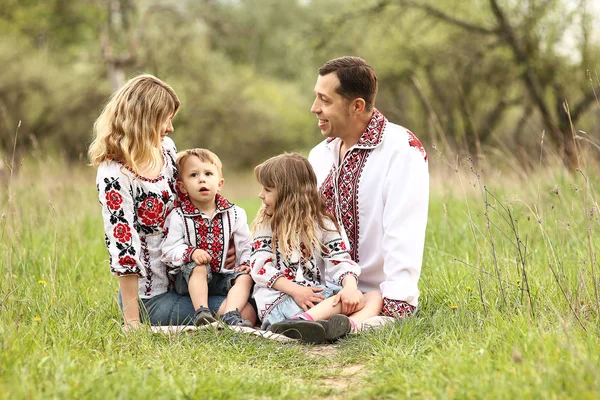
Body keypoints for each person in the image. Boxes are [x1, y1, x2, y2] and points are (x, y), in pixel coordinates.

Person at [89, 74, 255, 328]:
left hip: (189, 276)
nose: (170, 128)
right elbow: (124, 249)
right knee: (245, 312)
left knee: (253, 293)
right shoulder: (114, 174)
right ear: (145, 121)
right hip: (152, 295)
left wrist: (223, 242)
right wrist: (132, 322)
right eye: (165, 120)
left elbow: (192, 201)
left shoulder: (166, 149)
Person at [308, 56, 429, 321]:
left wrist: (398, 301)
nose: (314, 108)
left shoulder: (402, 150)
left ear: (357, 106)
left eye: (324, 100)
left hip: (377, 297)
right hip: (322, 291)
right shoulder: (319, 155)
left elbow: (404, 232)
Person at [251, 153, 383, 344]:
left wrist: (350, 287)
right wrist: (296, 291)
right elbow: (260, 267)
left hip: (314, 297)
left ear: (289, 194)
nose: (260, 194)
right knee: (334, 302)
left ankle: (345, 326)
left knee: (373, 296)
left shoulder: (322, 223)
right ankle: (297, 324)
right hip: (279, 303)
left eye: (267, 189)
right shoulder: (267, 223)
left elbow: (340, 260)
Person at [161, 148, 255, 327]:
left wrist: (246, 263)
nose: (202, 179)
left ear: (220, 183)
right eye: (194, 175)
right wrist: (191, 253)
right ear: (182, 187)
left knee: (244, 277)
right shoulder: (178, 216)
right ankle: (202, 312)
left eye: (208, 174)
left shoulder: (235, 214)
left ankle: (231, 315)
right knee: (199, 266)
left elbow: (245, 244)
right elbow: (168, 250)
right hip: (188, 279)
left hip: (221, 275)